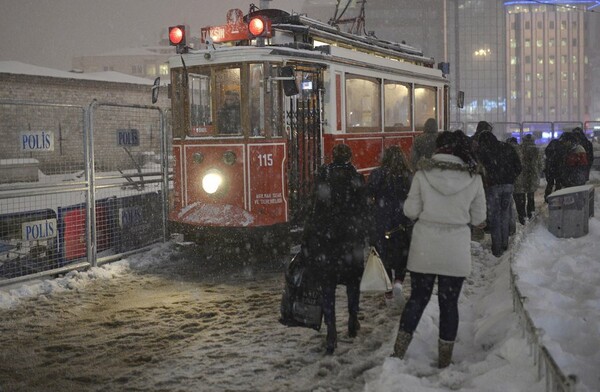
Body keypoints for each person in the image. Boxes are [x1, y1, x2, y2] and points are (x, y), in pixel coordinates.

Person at [391, 131, 486, 368]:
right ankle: (445, 359)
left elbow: (410, 211)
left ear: (440, 148)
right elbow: (479, 217)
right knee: (449, 304)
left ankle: (398, 353)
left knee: (418, 299)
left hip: (425, 247)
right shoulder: (474, 178)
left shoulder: (423, 174)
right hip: (455, 249)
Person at [304, 144, 369, 355]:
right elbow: (363, 210)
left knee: (328, 287)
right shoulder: (356, 179)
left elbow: (314, 209)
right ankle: (352, 318)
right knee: (353, 283)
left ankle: (331, 330)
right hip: (350, 242)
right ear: (349, 157)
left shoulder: (323, 179)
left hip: (327, 242)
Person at [366, 146, 413, 306]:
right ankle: (399, 281)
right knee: (402, 254)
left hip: (382, 220)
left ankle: (388, 293)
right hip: (402, 220)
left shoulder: (377, 174)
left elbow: (368, 194)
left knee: (383, 256)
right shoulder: (408, 175)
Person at [476, 131, 522, 257]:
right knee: (505, 214)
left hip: (493, 187)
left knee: (495, 217)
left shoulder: (484, 152)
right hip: (508, 186)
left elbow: (479, 169)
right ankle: (504, 244)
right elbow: (518, 166)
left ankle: (497, 249)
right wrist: (511, 178)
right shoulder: (507, 147)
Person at [513, 134, 542, 224]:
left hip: (521, 175)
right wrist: (538, 172)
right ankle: (530, 213)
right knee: (530, 195)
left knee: (521, 196)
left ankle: (522, 216)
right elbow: (540, 164)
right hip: (531, 175)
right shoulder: (536, 149)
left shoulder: (519, 149)